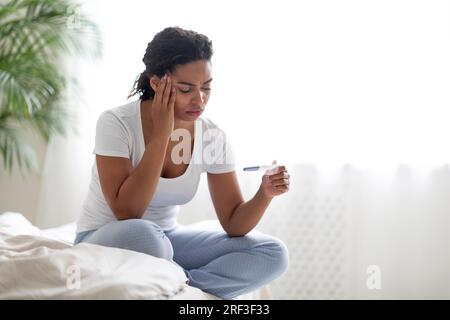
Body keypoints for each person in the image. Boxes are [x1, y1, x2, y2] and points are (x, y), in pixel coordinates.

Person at [74, 26, 290, 299]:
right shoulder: (116, 123)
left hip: (167, 240)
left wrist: (264, 193)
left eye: (207, 88)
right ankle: (173, 278)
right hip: (107, 237)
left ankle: (183, 287)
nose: (199, 100)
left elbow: (234, 224)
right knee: (147, 235)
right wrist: (162, 135)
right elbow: (128, 212)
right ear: (156, 83)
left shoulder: (212, 136)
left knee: (272, 253)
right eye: (186, 89)